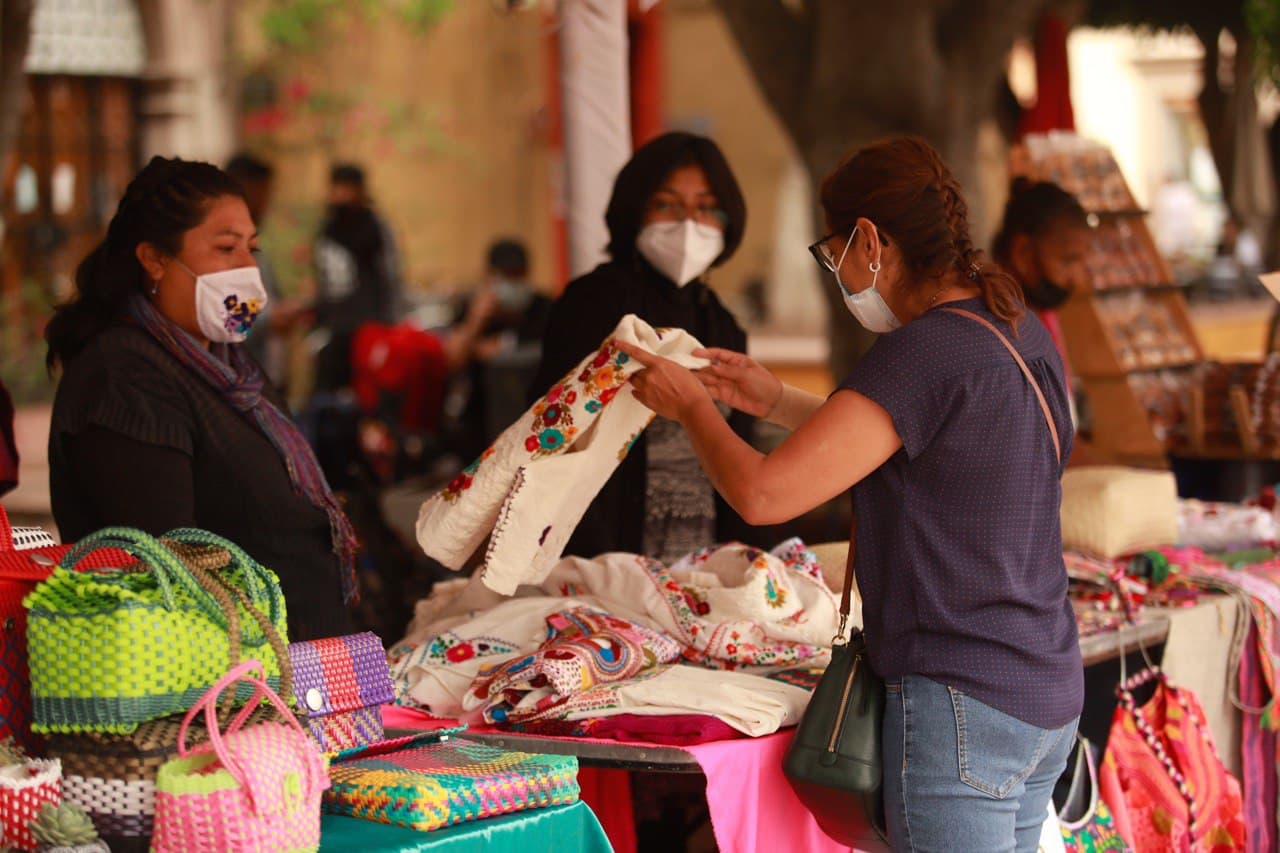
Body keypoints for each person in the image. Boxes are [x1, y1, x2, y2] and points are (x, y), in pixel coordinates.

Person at [616, 136, 1082, 851]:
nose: (837, 268)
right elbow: (915, 439)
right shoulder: (1012, 327)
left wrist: (692, 409)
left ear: (870, 239)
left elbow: (761, 493)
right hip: (1044, 692)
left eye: (833, 250)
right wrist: (771, 399)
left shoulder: (922, 351)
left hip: (963, 706)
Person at [44, 156, 356, 640]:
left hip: (293, 676)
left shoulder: (235, 369)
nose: (248, 269)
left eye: (252, 248)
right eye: (226, 248)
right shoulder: (125, 377)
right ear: (154, 259)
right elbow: (165, 559)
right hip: (212, 692)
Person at [529, 131, 770, 565]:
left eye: (705, 209)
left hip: (698, 566)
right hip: (602, 563)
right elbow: (557, 440)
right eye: (667, 205)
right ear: (635, 211)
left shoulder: (723, 323)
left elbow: (741, 449)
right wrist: (596, 568)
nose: (688, 223)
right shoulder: (595, 302)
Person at [312, 163, 405, 391]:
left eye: (348, 188)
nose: (342, 194)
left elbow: (390, 276)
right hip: (335, 328)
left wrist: (389, 322)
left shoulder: (374, 227)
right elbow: (324, 275)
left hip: (370, 328)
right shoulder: (328, 228)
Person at [991, 178, 1089, 371]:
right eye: (1067, 261)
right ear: (1022, 253)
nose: (1076, 279)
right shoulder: (992, 327)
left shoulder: (1041, 316)